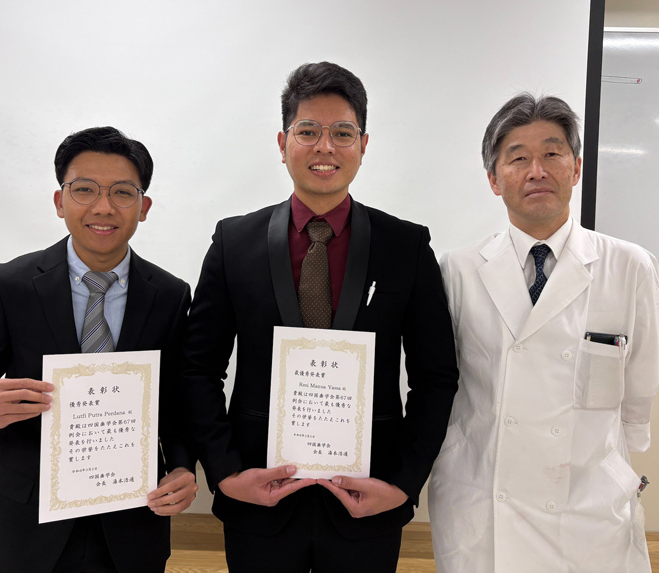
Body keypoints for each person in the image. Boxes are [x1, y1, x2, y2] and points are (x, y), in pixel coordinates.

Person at [180, 61, 459, 572]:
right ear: (283, 142)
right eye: (308, 131)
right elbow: (198, 367)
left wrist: (402, 484)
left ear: (364, 145)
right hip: (259, 494)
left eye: (342, 133)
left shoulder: (406, 246)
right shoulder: (233, 241)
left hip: (367, 497)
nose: (325, 147)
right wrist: (226, 473)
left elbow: (435, 377)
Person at [0, 126, 198, 573]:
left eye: (122, 192)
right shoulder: (9, 285)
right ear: (60, 201)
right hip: (25, 519)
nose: (103, 207)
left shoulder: (170, 295)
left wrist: (181, 465)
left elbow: (175, 399)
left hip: (130, 515)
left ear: (144, 207)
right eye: (84, 190)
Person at [428, 93, 659, 572]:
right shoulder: (459, 268)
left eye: (552, 153)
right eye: (518, 158)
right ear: (494, 180)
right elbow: (441, 384)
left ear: (576, 168)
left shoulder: (628, 265)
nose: (537, 171)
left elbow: (640, 384)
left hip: (586, 503)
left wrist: (621, 462)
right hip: (485, 494)